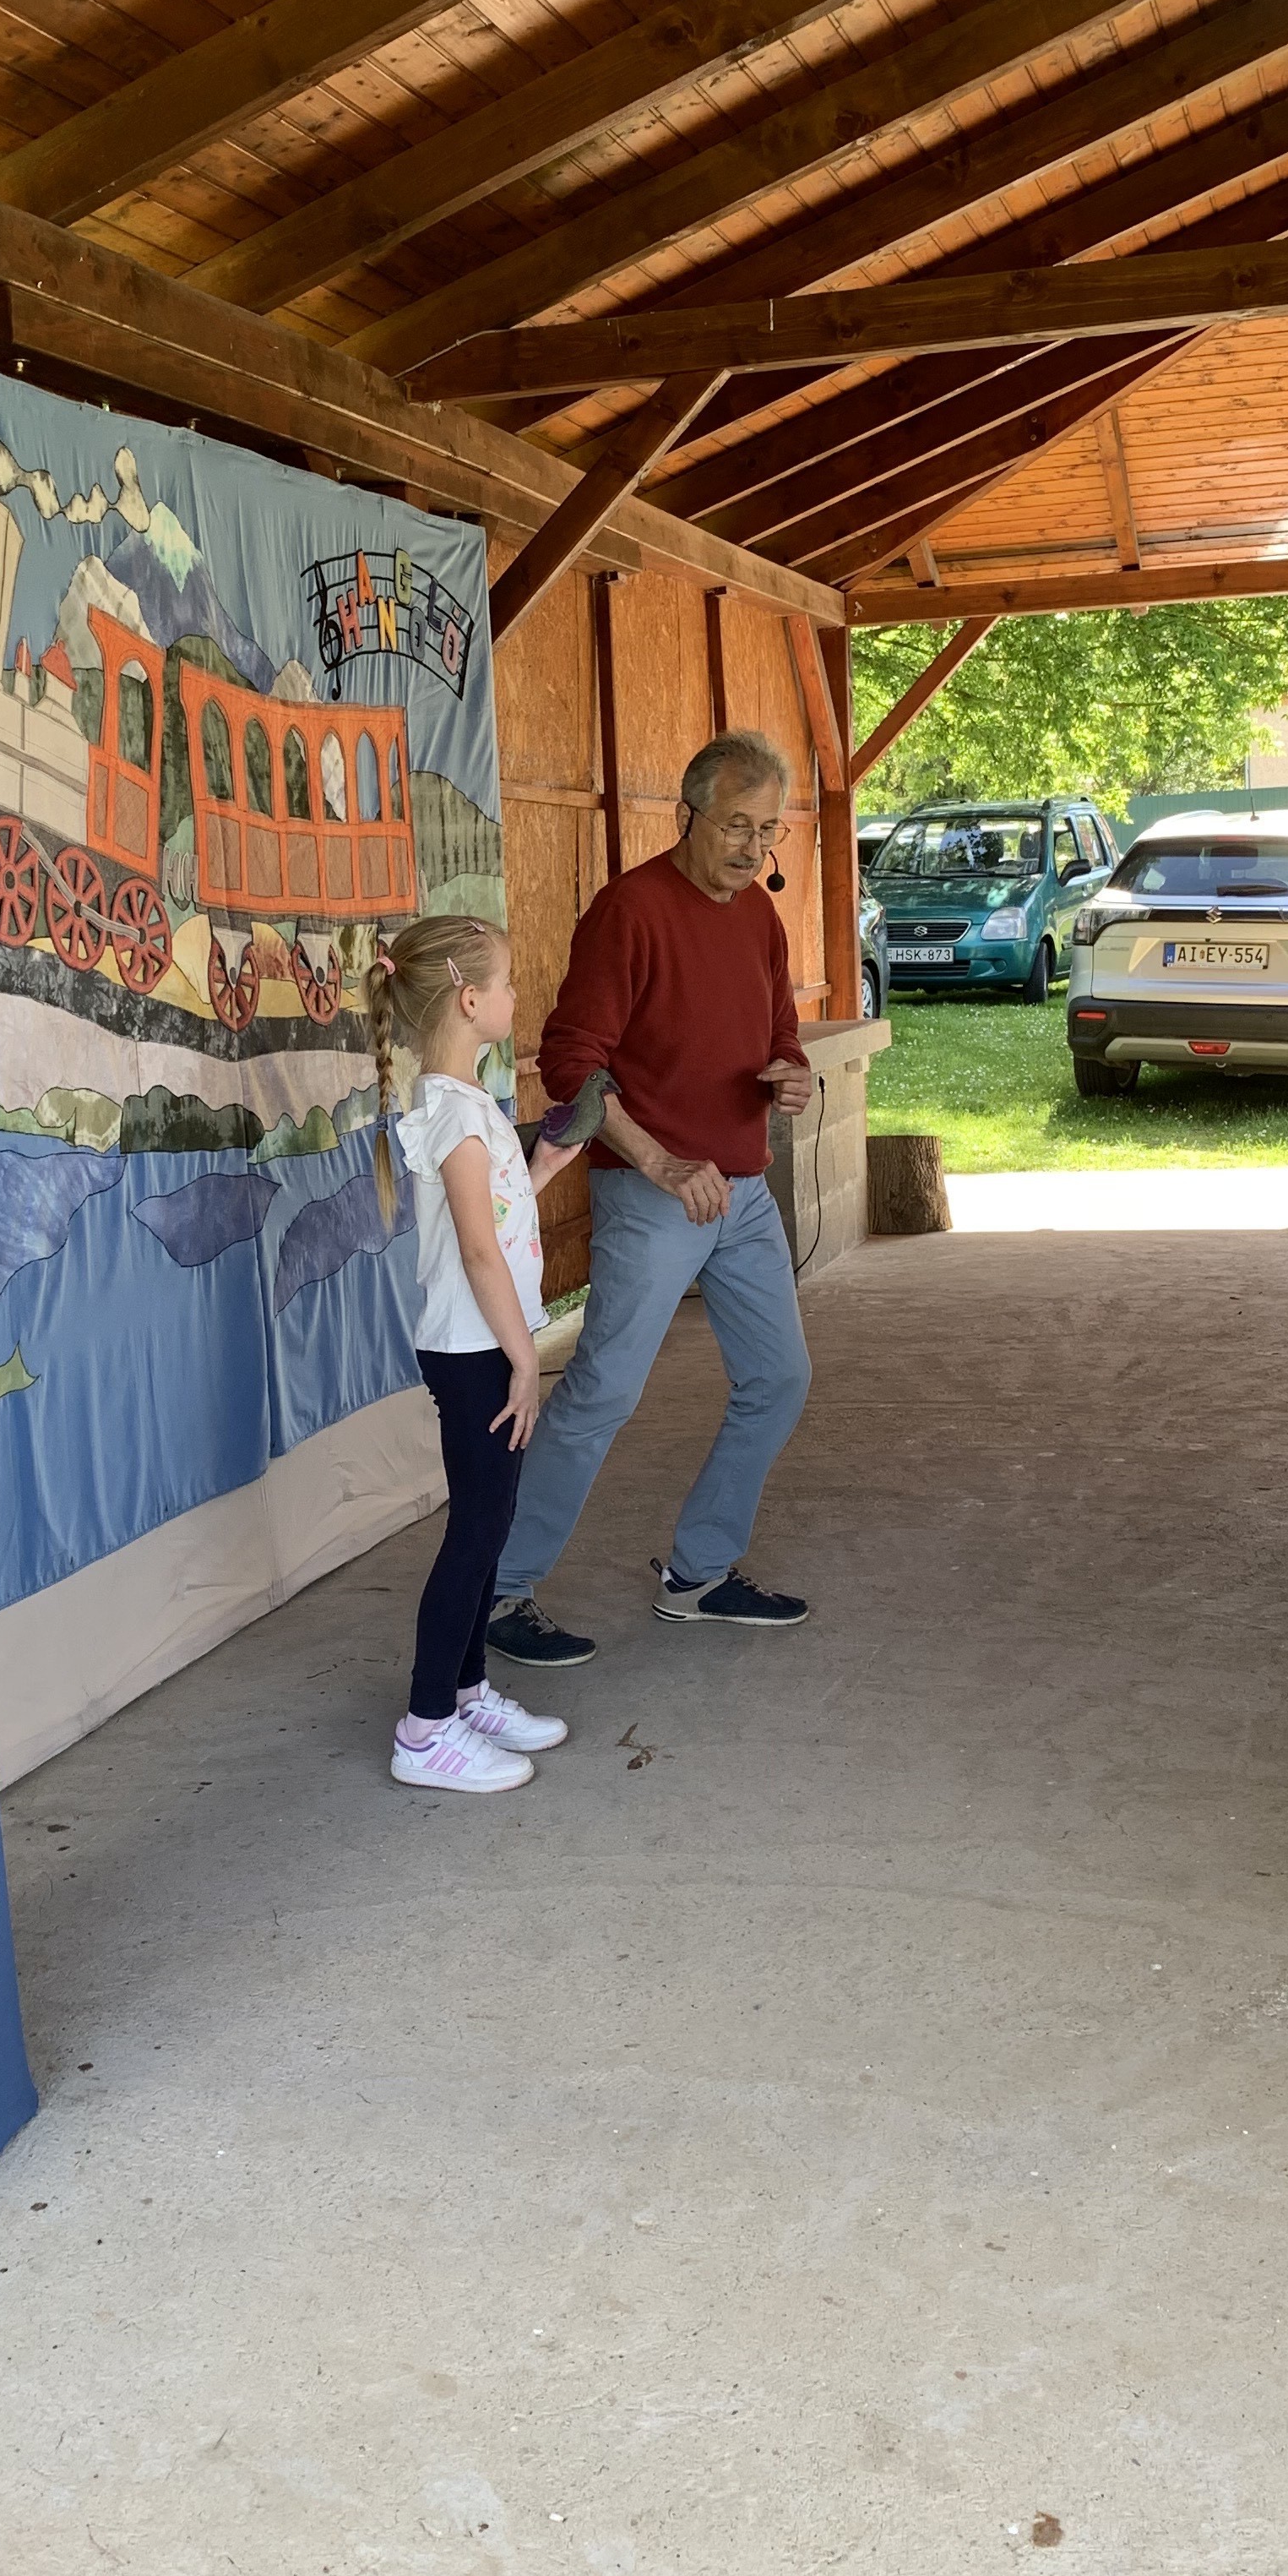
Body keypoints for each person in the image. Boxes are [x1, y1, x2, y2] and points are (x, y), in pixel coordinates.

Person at [486, 729, 818, 1670]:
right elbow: (570, 1063)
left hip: (743, 1194)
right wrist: (660, 1162)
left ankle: (699, 1575)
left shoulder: (759, 918)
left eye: (769, 829)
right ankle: (498, 1588)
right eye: (737, 825)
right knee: (603, 1393)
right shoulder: (629, 910)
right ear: (687, 815)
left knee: (779, 1378)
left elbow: (781, 1034)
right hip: (651, 1193)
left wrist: (791, 1075)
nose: (753, 847)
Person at [372, 917, 583, 1796]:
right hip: (476, 1356)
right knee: (476, 1532)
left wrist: (544, 1169)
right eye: (505, 983)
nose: (514, 996)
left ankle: (465, 1694)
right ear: (468, 1000)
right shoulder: (454, 1111)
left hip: (486, 1347)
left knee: (490, 1521)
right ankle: (425, 1731)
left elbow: (491, 1212)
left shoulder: (463, 1102)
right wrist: (526, 1362)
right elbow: (477, 1251)